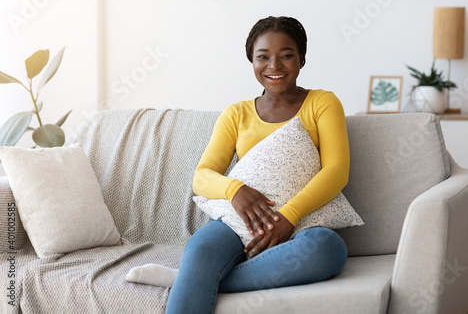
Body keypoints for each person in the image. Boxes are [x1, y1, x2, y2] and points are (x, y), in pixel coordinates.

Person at [126, 16, 350, 313]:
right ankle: (196, 275)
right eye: (263, 57)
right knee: (202, 248)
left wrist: (289, 216)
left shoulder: (323, 102)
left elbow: (337, 171)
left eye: (286, 55)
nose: (274, 66)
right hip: (238, 223)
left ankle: (189, 280)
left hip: (303, 226)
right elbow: (202, 176)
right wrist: (235, 190)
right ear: (252, 62)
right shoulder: (236, 114)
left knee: (328, 250)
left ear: (302, 59)